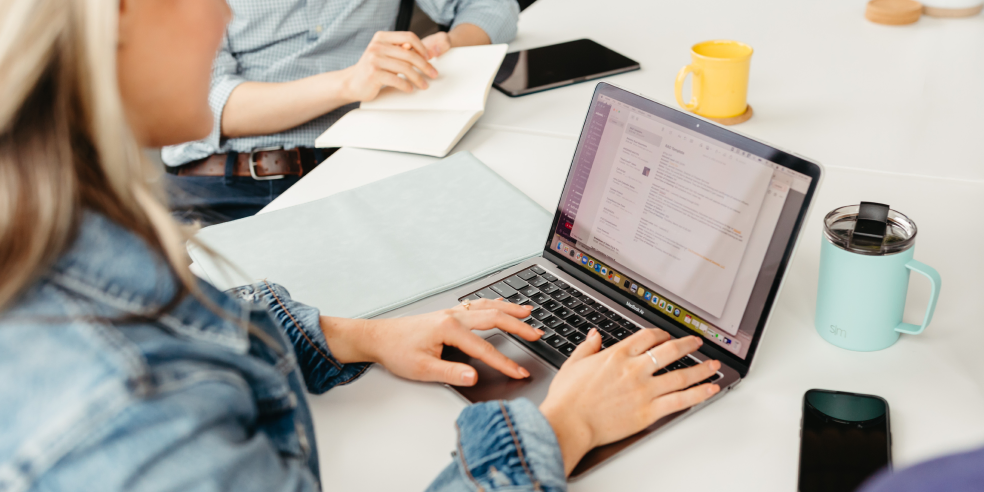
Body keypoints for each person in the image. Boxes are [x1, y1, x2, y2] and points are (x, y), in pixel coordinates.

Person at [0, 0, 722, 490]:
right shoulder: (126, 405)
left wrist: (357, 335)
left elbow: (193, 316)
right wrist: (563, 429)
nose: (224, 13)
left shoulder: (61, 233)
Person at [160, 0, 519, 224]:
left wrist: (448, 45)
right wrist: (347, 83)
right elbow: (199, 104)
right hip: (224, 185)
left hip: (356, 167)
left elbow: (493, 7)